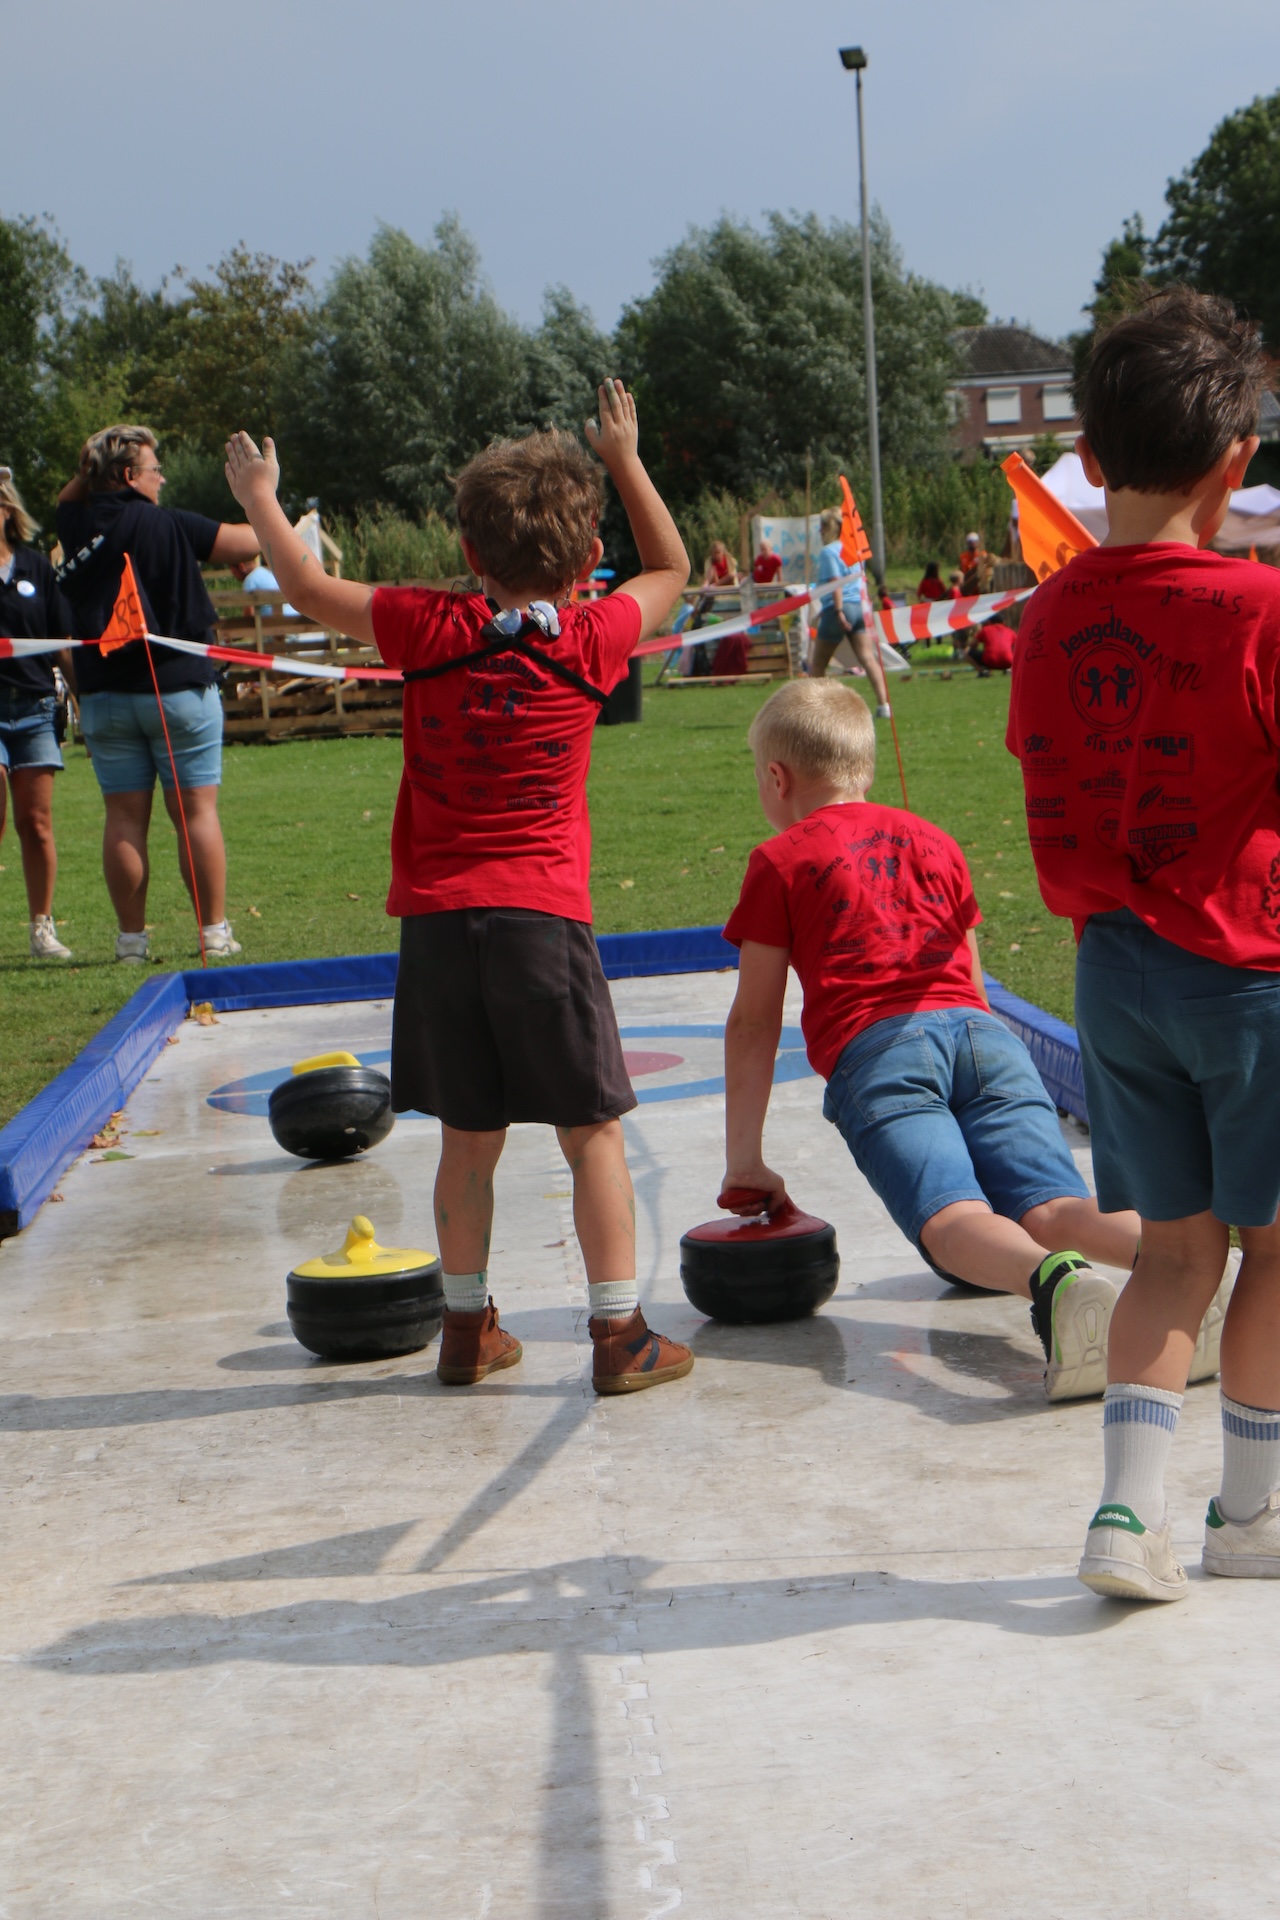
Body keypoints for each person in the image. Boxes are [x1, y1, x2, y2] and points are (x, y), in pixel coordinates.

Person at [224, 381, 696, 1396]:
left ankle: (466, 1330)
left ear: (471, 552)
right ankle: (619, 1336)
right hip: (542, 922)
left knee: (467, 1144)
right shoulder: (588, 639)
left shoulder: (427, 626)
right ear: (585, 561)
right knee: (591, 1134)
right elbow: (670, 567)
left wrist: (261, 493)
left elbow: (303, 584)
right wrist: (622, 457)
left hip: (439, 931)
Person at [717, 678, 1232, 1403]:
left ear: (777, 777)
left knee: (950, 1216)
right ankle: (1194, 1269)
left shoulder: (780, 861)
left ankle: (1053, 1281)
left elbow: (754, 1021)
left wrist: (745, 1160)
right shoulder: (935, 840)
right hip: (984, 1038)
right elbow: (974, 981)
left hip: (880, 1054)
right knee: (1052, 1205)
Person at [1008, 286, 1280, 1602]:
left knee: (1171, 1256)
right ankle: (1251, 1518)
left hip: (1110, 975)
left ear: (1089, 457)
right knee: (1272, 1250)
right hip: (1247, 974)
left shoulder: (1044, 617)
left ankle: (1126, 1518)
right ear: (1237, 462)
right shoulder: (1260, 608)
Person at [55, 426, 260, 962]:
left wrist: (97, 450)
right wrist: (262, 492)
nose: (162, 478)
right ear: (129, 476)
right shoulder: (171, 523)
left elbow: (69, 493)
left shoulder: (75, 523)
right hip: (179, 691)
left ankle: (131, 943)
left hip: (104, 697)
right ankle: (213, 933)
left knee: (123, 818)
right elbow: (250, 541)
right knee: (195, 815)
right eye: (154, 468)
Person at [0, 470, 74, 959]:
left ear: (7, 510)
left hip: (35, 708)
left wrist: (88, 700)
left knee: (37, 823)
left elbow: (61, 642)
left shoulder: (36, 567)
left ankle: (42, 928)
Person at [809, 507, 891, 718]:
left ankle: (814, 710)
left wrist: (838, 610)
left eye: (822, 526)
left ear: (831, 527)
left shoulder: (829, 552)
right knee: (868, 658)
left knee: (818, 664)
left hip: (838, 608)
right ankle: (883, 705)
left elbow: (835, 583)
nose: (819, 530)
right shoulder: (855, 549)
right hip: (859, 607)